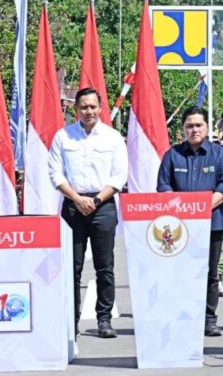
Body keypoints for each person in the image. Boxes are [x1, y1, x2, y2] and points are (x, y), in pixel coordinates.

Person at [48, 87, 128, 339]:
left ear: (100, 108)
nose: (88, 111)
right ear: (76, 109)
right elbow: (55, 173)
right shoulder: (63, 136)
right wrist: (76, 198)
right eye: (84, 107)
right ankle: (70, 322)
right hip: (73, 206)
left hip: (102, 205)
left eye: (93, 106)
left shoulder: (113, 137)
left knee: (105, 266)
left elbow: (119, 175)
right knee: (72, 267)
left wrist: (95, 200)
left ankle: (104, 320)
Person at [157, 106, 223, 337]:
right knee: (181, 273)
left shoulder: (218, 154)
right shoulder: (172, 155)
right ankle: (183, 316)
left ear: (207, 127)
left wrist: (200, 209)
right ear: (183, 129)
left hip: (212, 224)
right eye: (190, 125)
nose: (194, 129)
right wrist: (184, 211)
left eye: (199, 125)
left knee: (210, 273)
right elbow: (163, 187)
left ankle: (209, 319)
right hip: (179, 227)